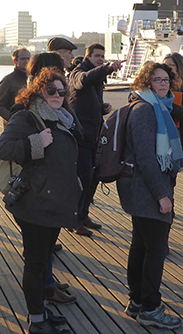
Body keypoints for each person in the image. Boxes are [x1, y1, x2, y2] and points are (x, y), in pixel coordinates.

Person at [0, 67, 81, 334]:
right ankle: (37, 321)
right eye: (50, 90)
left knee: (44, 260)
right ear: (38, 91)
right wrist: (36, 142)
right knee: (35, 262)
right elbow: (3, 149)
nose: (57, 95)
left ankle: (42, 311)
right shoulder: (27, 117)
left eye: (61, 91)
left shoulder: (62, 117)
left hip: (54, 202)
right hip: (34, 202)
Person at [119, 62, 183, 330]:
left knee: (141, 245)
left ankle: (136, 300)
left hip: (142, 188)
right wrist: (162, 195)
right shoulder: (146, 110)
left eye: (166, 80)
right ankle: (150, 307)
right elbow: (146, 158)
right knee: (155, 249)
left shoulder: (157, 107)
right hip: (146, 189)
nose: (163, 84)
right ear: (146, 82)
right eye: (157, 80)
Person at [68, 43, 123, 236]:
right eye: (97, 56)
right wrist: (107, 67)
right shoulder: (78, 72)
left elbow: (85, 101)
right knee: (83, 177)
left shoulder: (97, 76)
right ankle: (74, 219)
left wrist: (102, 108)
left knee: (92, 177)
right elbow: (82, 81)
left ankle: (83, 215)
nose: (101, 58)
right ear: (88, 56)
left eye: (103, 56)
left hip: (93, 135)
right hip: (80, 136)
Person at [163, 53, 183, 167]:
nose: (167, 68)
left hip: (178, 133)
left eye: (171, 65)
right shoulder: (160, 85)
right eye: (165, 65)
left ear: (178, 67)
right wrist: (179, 109)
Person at [0, 47, 31, 122]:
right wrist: (12, 118)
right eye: (22, 59)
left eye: (28, 59)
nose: (26, 61)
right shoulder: (8, 81)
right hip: (14, 127)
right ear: (15, 61)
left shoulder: (33, 80)